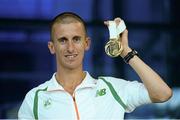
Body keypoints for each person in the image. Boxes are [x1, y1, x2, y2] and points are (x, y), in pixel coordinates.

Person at [18, 12, 172, 119]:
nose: (70, 48)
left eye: (76, 39)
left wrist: (126, 51)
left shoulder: (112, 89)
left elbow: (162, 94)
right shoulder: (35, 98)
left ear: (87, 43)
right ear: (52, 47)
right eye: (63, 40)